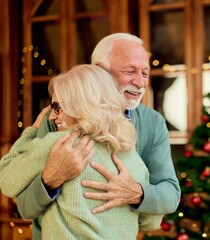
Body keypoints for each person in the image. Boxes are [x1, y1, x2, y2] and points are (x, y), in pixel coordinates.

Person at [14, 33, 181, 239]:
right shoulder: (58, 115)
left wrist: (137, 192)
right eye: (130, 71)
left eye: (145, 73)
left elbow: (170, 195)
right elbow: (25, 208)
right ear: (100, 71)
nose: (139, 82)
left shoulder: (152, 123)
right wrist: (51, 178)